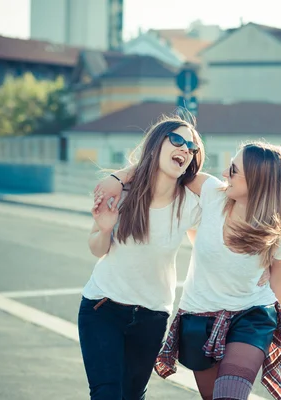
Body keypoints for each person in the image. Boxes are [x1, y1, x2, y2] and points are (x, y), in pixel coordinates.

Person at [95, 141, 281, 400]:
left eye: (233, 169)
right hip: (199, 317)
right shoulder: (212, 192)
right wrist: (117, 178)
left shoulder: (278, 230)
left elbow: (277, 284)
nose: (225, 174)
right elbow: (165, 169)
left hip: (251, 317)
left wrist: (266, 337)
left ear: (257, 179)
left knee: (229, 396)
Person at [78, 114, 205, 400]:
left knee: (133, 395)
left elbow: (207, 244)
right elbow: (96, 248)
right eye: (178, 140)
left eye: (192, 147)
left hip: (152, 315)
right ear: (156, 143)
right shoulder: (120, 194)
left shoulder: (191, 205)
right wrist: (106, 230)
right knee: (106, 394)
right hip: (102, 307)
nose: (185, 149)